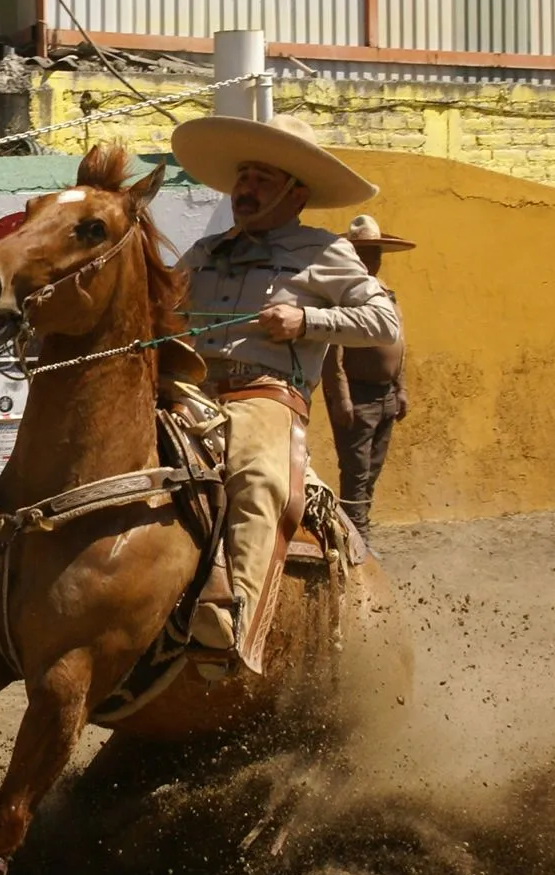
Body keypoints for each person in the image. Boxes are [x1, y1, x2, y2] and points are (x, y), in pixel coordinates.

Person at [170, 113, 400, 673]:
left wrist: (305, 320)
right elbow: (164, 310)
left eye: (262, 179)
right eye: (243, 175)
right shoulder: (203, 251)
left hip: (264, 395)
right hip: (186, 388)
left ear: (296, 193)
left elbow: (384, 321)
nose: (245, 187)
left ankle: (234, 623)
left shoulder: (324, 251)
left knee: (256, 477)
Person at [321, 214, 415, 545]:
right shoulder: (341, 297)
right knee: (356, 473)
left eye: (375, 252)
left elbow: (399, 343)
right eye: (363, 252)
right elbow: (332, 354)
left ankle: (357, 532)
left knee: (371, 472)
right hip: (358, 397)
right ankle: (356, 541)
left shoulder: (386, 295)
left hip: (386, 395)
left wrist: (400, 388)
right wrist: (342, 397)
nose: (371, 259)